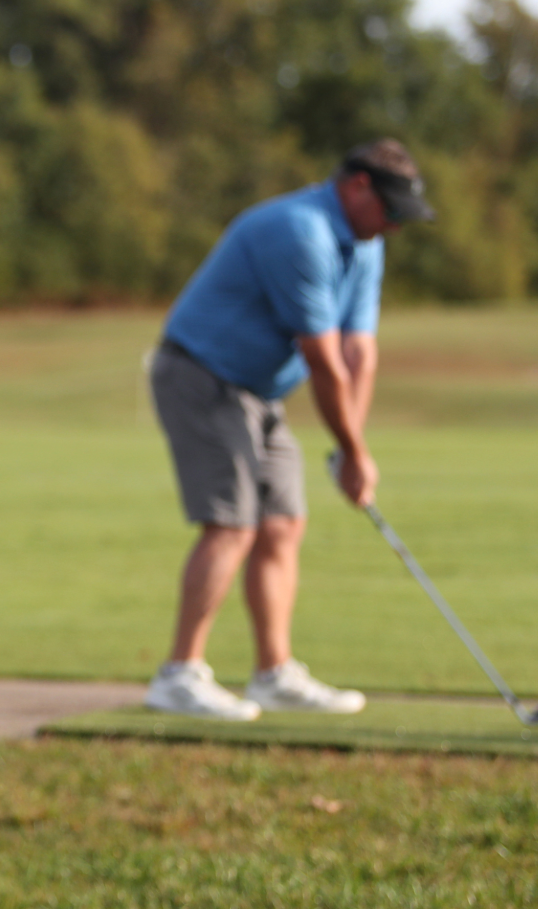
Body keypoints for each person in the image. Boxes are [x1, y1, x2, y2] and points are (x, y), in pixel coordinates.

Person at [143, 141, 433, 721]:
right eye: (391, 210)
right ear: (356, 186)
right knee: (230, 525)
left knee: (282, 524)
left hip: (259, 392)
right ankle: (178, 675)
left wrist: (353, 447)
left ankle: (273, 674)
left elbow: (360, 353)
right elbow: (324, 361)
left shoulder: (366, 242)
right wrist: (352, 452)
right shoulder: (300, 232)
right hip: (201, 375)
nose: (396, 226)